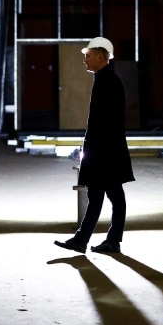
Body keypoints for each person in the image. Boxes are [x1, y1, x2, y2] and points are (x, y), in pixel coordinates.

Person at [55, 36, 134, 254]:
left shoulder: (108, 81)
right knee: (100, 195)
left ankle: (108, 241)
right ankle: (86, 240)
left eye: (88, 56)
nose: (85, 60)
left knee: (111, 195)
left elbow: (106, 123)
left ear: (100, 57)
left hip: (105, 151)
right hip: (105, 150)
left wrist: (93, 152)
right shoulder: (105, 79)